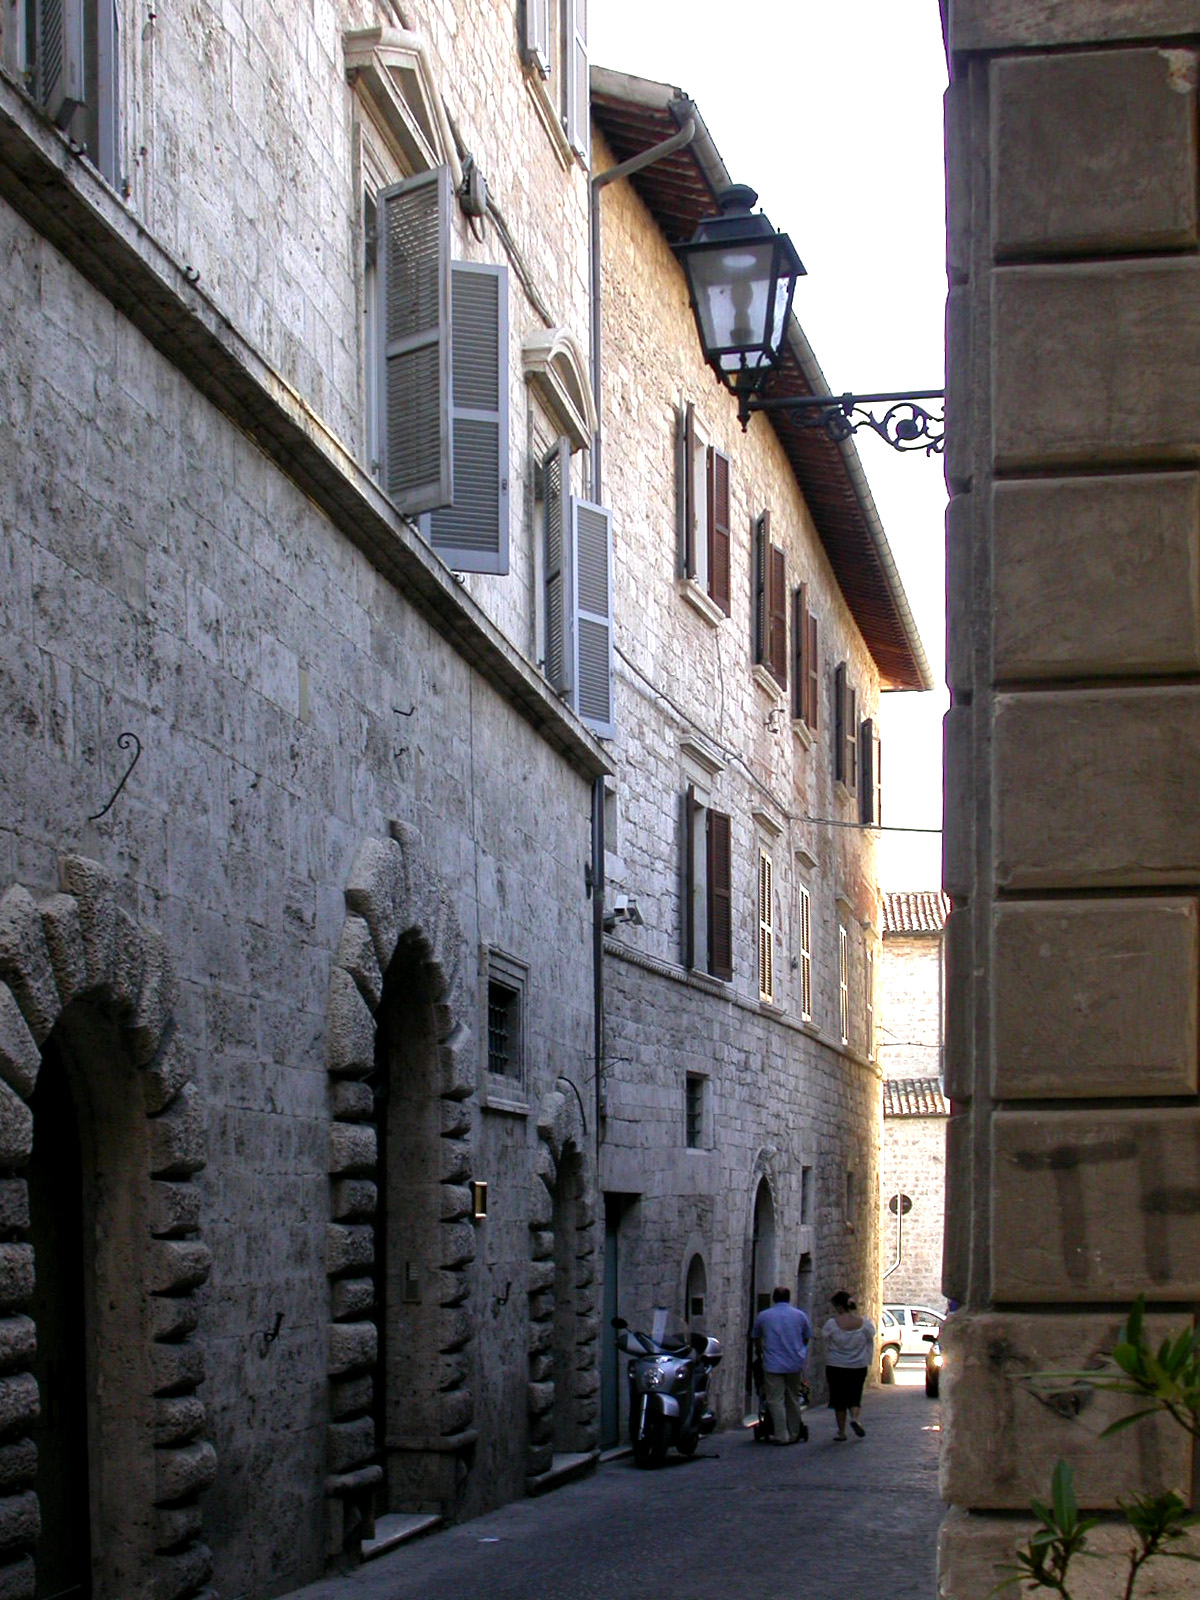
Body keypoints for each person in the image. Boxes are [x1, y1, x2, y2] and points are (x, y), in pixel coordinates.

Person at [751, 1286, 812, 1444]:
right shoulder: (800, 1316)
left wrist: (761, 1352)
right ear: (789, 1298)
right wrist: (799, 1351)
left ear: (774, 1299)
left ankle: (781, 1434)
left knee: (775, 1399)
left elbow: (756, 1337)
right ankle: (794, 1433)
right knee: (792, 1398)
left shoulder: (764, 1316)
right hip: (794, 1362)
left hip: (773, 1364)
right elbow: (806, 1337)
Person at [822, 1290, 875, 1441]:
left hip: (835, 1365)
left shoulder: (832, 1324)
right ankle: (855, 1418)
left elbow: (824, 1336)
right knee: (855, 1395)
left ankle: (841, 1431)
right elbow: (871, 1336)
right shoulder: (864, 1323)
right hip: (858, 1365)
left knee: (838, 1399)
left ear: (839, 1307)